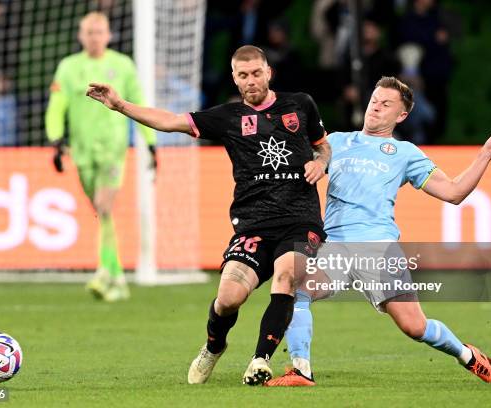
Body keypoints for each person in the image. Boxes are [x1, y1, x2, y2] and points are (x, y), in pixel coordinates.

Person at [86, 45, 331, 385]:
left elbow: (323, 145)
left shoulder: (300, 104)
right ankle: (214, 346)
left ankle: (260, 360)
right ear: (234, 77)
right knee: (228, 299)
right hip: (253, 223)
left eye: (256, 73)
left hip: (300, 220)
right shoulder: (227, 117)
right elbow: (171, 122)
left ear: (268, 72)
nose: (250, 81)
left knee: (287, 275)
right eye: (243, 75)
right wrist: (120, 105)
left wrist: (320, 163)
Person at [266, 76, 491, 386]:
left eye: (386, 104)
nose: (376, 108)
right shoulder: (336, 142)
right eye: (374, 101)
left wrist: (485, 155)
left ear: (401, 115)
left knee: (415, 327)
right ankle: (301, 370)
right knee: (295, 289)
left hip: (378, 248)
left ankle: (468, 356)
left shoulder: (406, 153)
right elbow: (298, 165)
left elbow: (453, 192)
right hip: (333, 246)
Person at [45, 12, 156, 302]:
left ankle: (103, 272)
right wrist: (56, 140)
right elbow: (57, 105)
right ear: (80, 36)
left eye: (99, 32)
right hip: (81, 152)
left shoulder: (122, 65)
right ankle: (117, 275)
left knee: (104, 207)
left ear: (108, 35)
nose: (94, 37)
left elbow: (139, 103)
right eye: (89, 32)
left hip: (112, 149)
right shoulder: (68, 67)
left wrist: (151, 143)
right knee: (100, 212)